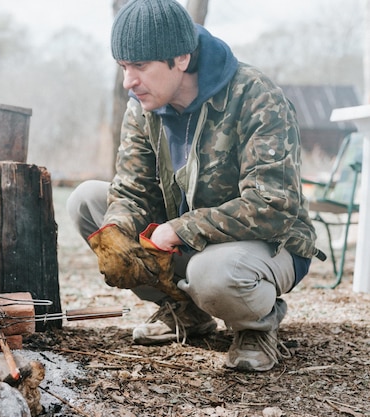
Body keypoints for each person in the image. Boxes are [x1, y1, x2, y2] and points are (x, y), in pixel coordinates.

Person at [66, 0, 325, 372]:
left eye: (140, 65)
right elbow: (131, 188)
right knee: (88, 201)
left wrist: (180, 228)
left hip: (272, 243)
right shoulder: (142, 107)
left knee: (213, 274)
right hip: (191, 242)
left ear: (181, 58)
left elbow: (273, 205)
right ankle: (185, 311)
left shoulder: (256, 97)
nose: (128, 81)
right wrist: (117, 233)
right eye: (123, 67)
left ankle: (256, 325)